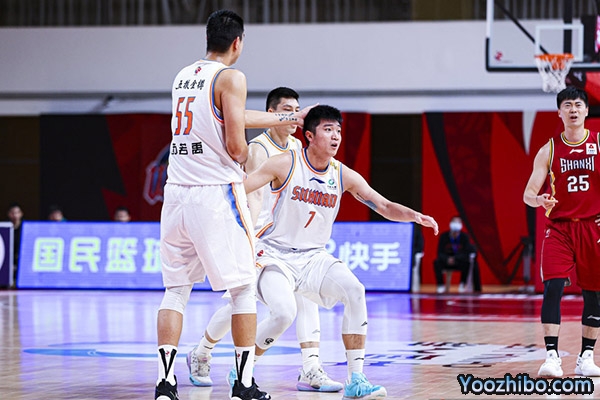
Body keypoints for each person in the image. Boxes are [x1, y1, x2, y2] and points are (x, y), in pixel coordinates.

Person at [156, 10, 311, 400]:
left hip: (176, 192)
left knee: (175, 292)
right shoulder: (232, 77)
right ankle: (243, 383)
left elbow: (233, 115)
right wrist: (242, 158)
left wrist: (290, 117)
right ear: (238, 42)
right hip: (214, 193)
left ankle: (165, 383)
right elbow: (236, 143)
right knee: (243, 290)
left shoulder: (182, 76)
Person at [243, 105, 438, 399]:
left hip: (313, 257)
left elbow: (383, 205)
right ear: (309, 135)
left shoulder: (342, 174)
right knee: (283, 313)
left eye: (338, 131)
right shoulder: (284, 163)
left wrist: (414, 216)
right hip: (274, 253)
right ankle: (242, 370)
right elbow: (241, 189)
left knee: (355, 291)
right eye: (328, 130)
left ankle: (356, 379)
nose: (336, 136)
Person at [186, 88, 343, 393]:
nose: (294, 116)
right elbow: (253, 197)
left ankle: (311, 367)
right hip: (260, 238)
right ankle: (202, 351)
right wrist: (248, 239)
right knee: (239, 303)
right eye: (287, 110)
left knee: (306, 296)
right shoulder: (259, 149)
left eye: (297, 110)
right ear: (272, 114)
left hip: (292, 241)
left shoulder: (298, 146)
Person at [523, 86, 600, 378]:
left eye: (578, 104)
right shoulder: (549, 149)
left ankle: (586, 357)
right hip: (559, 228)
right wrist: (539, 199)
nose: (573, 109)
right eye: (567, 105)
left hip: (593, 226)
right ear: (559, 112)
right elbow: (528, 194)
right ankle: (552, 357)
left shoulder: (598, 143)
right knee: (553, 287)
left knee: (594, 292)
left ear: (586, 110)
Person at [433, 216, 476, 294]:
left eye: (458, 222)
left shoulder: (465, 237)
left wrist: (455, 258)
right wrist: (447, 259)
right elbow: (440, 253)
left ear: (461, 224)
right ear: (450, 224)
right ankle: (440, 285)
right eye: (454, 222)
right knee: (437, 262)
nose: (456, 224)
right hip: (446, 261)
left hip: (459, 261)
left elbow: (466, 253)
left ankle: (462, 284)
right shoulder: (444, 236)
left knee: (467, 263)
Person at [6, 203, 23, 287]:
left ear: (21, 214)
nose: (15, 215)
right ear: (9, 214)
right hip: (9, 261)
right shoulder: (6, 229)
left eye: (17, 212)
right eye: (12, 213)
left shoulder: (24, 228)